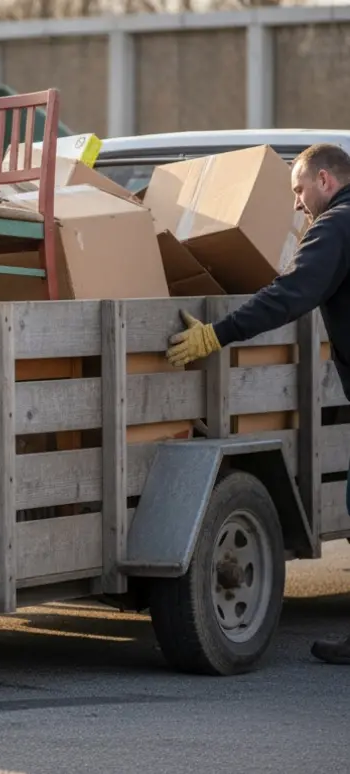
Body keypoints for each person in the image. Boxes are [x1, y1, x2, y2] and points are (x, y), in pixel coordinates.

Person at [165, 142, 350, 665]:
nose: (296, 204)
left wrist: (218, 334)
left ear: (325, 182)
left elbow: (293, 293)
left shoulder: (335, 226)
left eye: (298, 190)